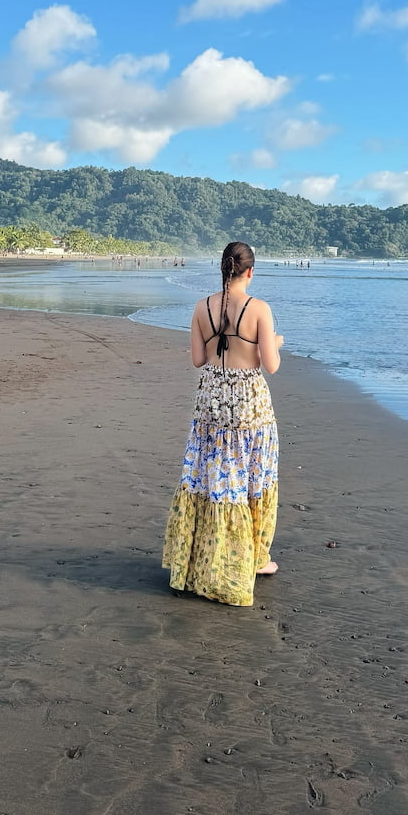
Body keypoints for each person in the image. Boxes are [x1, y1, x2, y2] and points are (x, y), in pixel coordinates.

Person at [162, 240, 284, 606]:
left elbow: (198, 359)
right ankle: (254, 560)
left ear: (223, 268)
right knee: (252, 476)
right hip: (248, 402)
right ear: (250, 271)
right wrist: (275, 341)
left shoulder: (202, 306)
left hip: (212, 398)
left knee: (213, 478)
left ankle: (200, 562)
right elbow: (271, 365)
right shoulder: (259, 308)